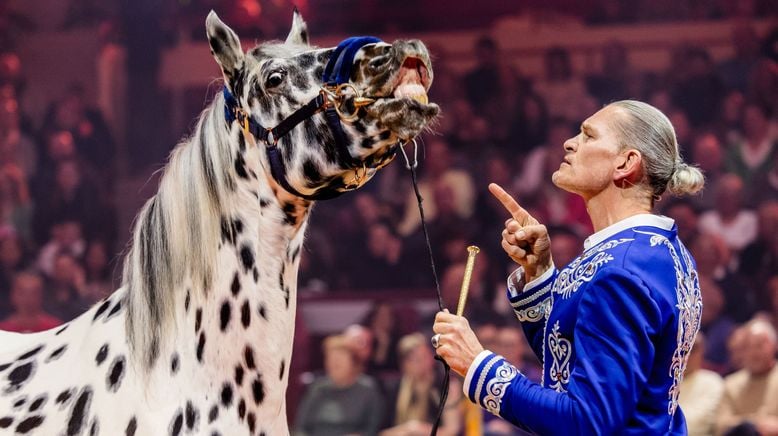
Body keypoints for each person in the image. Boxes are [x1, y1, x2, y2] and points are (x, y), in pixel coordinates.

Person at [432, 100, 705, 434]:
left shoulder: (620, 271)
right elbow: (573, 360)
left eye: (588, 135)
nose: (570, 142)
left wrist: (478, 364)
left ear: (625, 163)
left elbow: (587, 422)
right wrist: (541, 272)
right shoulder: (661, 251)